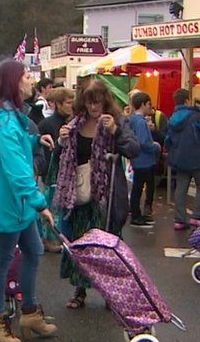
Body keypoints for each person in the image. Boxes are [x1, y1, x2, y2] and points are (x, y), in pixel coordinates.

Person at [0, 61, 58, 342]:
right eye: (26, 76)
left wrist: (35, 141)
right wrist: (40, 202)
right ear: (13, 82)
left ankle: (30, 312)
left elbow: (18, 150)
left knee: (34, 251)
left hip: (16, 204)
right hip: (5, 204)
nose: (31, 80)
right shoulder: (3, 121)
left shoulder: (9, 116)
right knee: (2, 259)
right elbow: (17, 170)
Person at [54, 80, 140, 310]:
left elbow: (133, 149)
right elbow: (62, 157)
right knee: (82, 244)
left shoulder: (118, 120)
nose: (94, 107)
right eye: (90, 102)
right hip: (80, 195)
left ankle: (111, 293)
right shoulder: (76, 123)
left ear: (105, 100)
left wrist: (116, 131)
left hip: (106, 196)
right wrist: (62, 141)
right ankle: (80, 290)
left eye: (98, 101)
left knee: (107, 246)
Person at [165, 88, 200, 230]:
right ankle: (196, 216)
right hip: (198, 158)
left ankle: (179, 219)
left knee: (181, 189)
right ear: (188, 100)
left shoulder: (171, 119)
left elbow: (167, 140)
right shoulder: (195, 116)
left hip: (180, 160)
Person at [37, 87, 75, 253]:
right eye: (68, 103)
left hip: (68, 173)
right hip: (52, 173)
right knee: (52, 208)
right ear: (58, 104)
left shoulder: (72, 122)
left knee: (62, 208)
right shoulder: (47, 124)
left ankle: (58, 238)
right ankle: (49, 240)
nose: (71, 106)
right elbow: (45, 152)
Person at [127, 92, 161, 228]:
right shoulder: (141, 122)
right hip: (144, 160)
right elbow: (144, 142)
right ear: (143, 104)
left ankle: (136, 213)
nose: (150, 108)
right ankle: (137, 216)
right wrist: (155, 146)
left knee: (138, 187)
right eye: (149, 105)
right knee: (141, 187)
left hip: (137, 159)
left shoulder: (133, 119)